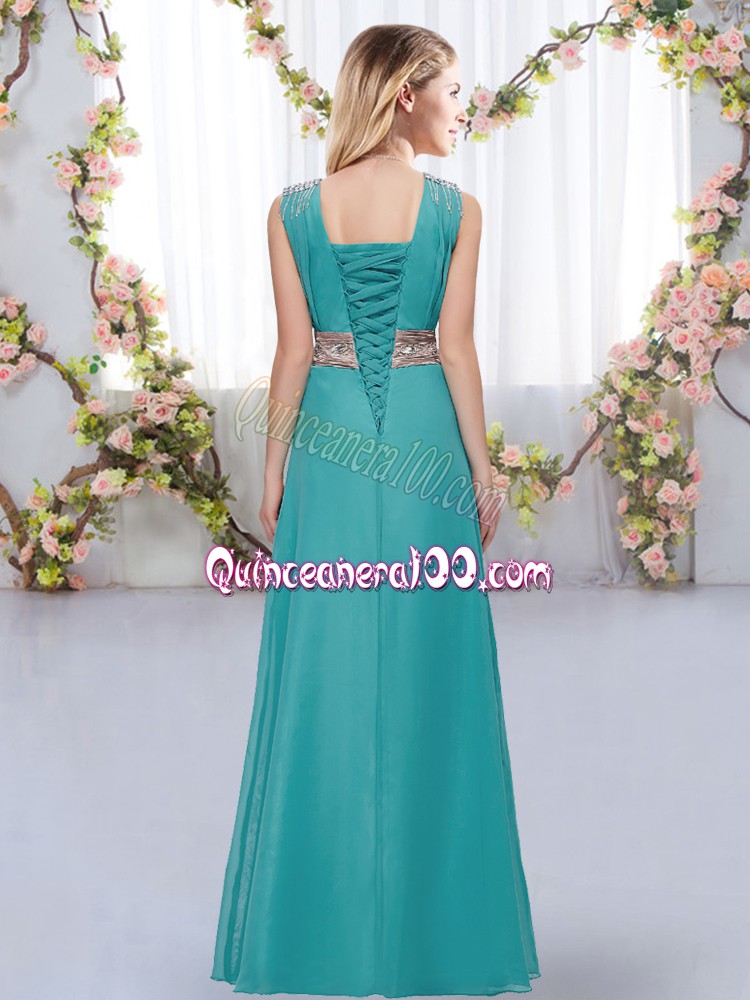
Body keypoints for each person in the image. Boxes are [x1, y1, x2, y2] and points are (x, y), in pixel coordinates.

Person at [211, 23, 541, 997]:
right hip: (428, 438)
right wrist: (481, 468)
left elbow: (293, 351)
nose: (462, 108)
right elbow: (456, 346)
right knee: (436, 666)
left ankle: (319, 934)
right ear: (404, 93)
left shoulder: (293, 211)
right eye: (451, 91)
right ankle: (434, 942)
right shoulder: (455, 210)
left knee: (325, 665)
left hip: (327, 443)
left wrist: (273, 470)